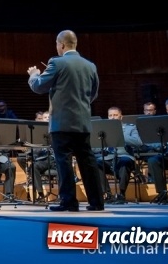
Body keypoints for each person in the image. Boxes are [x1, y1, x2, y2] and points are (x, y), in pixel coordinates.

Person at [27, 29, 105, 212]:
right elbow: (93, 94)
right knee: (87, 162)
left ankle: (69, 202)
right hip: (83, 122)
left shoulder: (57, 62)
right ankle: (97, 202)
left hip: (61, 123)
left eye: (57, 44)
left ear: (61, 45)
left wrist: (33, 74)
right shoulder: (90, 65)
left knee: (64, 162)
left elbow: (38, 87)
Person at [94, 106, 144, 204]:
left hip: (124, 156)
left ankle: (121, 194)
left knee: (124, 162)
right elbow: (95, 148)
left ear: (121, 117)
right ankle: (107, 194)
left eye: (115, 115)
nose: (112, 118)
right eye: (110, 115)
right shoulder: (103, 130)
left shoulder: (130, 127)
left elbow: (139, 142)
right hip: (109, 158)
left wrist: (119, 133)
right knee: (96, 164)